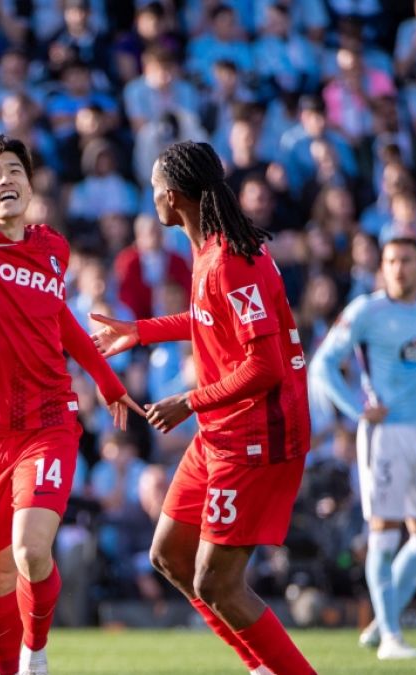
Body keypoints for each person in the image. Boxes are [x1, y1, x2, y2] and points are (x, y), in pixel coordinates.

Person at [0, 29, 139, 675]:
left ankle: (36, 655)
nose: (7, 179)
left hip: (46, 418)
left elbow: (59, 319)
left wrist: (106, 379)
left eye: (16, 170)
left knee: (31, 549)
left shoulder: (51, 247)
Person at [91, 141, 314, 675]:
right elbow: (208, 320)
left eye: (153, 189)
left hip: (258, 432)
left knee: (216, 581)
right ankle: (260, 668)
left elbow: (266, 368)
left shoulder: (232, 260)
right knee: (169, 555)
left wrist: (188, 400)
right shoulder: (210, 248)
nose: (151, 198)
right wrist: (142, 332)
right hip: (221, 430)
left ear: (171, 198)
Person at [311, 237, 416, 659]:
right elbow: (322, 364)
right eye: (391, 261)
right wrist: (357, 408)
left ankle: (385, 615)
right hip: (384, 437)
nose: (398, 268)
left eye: (406, 260)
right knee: (384, 536)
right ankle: (391, 637)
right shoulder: (366, 310)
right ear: (382, 267)